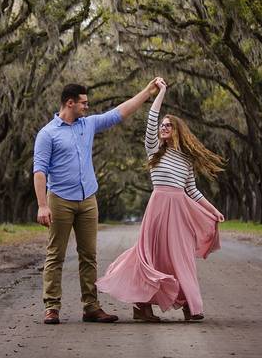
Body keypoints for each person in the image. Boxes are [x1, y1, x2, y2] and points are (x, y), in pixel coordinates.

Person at [33, 79, 161, 325]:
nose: (87, 107)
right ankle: (52, 307)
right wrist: (42, 205)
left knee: (89, 255)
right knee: (55, 255)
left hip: (88, 200)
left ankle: (91, 307)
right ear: (69, 103)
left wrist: (147, 91)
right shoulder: (47, 133)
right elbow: (39, 171)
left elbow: (118, 113)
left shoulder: (87, 125)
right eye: (83, 103)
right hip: (59, 200)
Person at [96, 78, 225, 322]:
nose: (163, 128)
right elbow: (151, 118)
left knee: (181, 257)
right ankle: (142, 307)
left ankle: (189, 305)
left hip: (179, 212)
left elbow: (193, 191)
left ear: (178, 130)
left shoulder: (186, 160)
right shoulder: (154, 151)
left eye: (168, 126)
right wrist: (161, 92)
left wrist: (213, 210)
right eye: (162, 125)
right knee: (152, 256)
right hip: (157, 209)